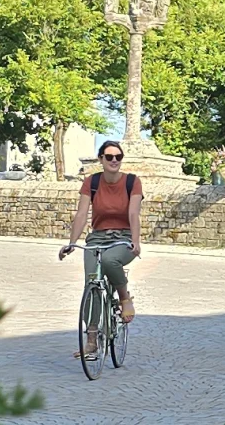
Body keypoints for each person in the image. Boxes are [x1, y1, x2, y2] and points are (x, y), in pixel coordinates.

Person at [61, 141, 144, 357]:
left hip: (123, 237)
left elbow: (134, 213)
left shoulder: (132, 182)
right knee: (92, 282)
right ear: (101, 159)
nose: (114, 160)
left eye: (118, 157)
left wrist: (135, 241)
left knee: (109, 261)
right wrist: (72, 242)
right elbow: (81, 214)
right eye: (109, 157)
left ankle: (124, 298)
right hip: (97, 238)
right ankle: (91, 340)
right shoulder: (92, 182)